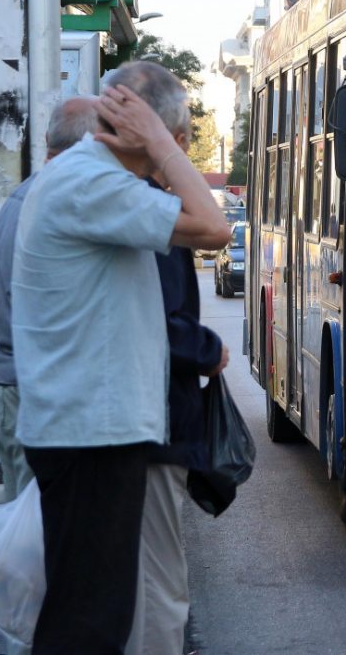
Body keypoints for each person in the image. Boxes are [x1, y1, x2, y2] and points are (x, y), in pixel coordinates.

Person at [12, 60, 229, 654]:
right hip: (91, 434)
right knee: (88, 627)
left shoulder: (98, 184)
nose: (172, 149)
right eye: (170, 134)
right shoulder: (93, 183)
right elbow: (214, 225)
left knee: (93, 616)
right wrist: (160, 142)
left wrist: (155, 141)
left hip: (93, 430)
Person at [0, 98, 97, 655]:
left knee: (29, 556)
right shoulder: (52, 205)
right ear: (85, 148)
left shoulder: (24, 199)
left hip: (13, 390)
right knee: (33, 565)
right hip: (31, 397)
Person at [125, 97, 229, 655]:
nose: (186, 148)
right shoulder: (136, 208)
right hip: (150, 424)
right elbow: (214, 229)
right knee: (161, 585)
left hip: (124, 425)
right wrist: (208, 349)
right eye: (181, 136)